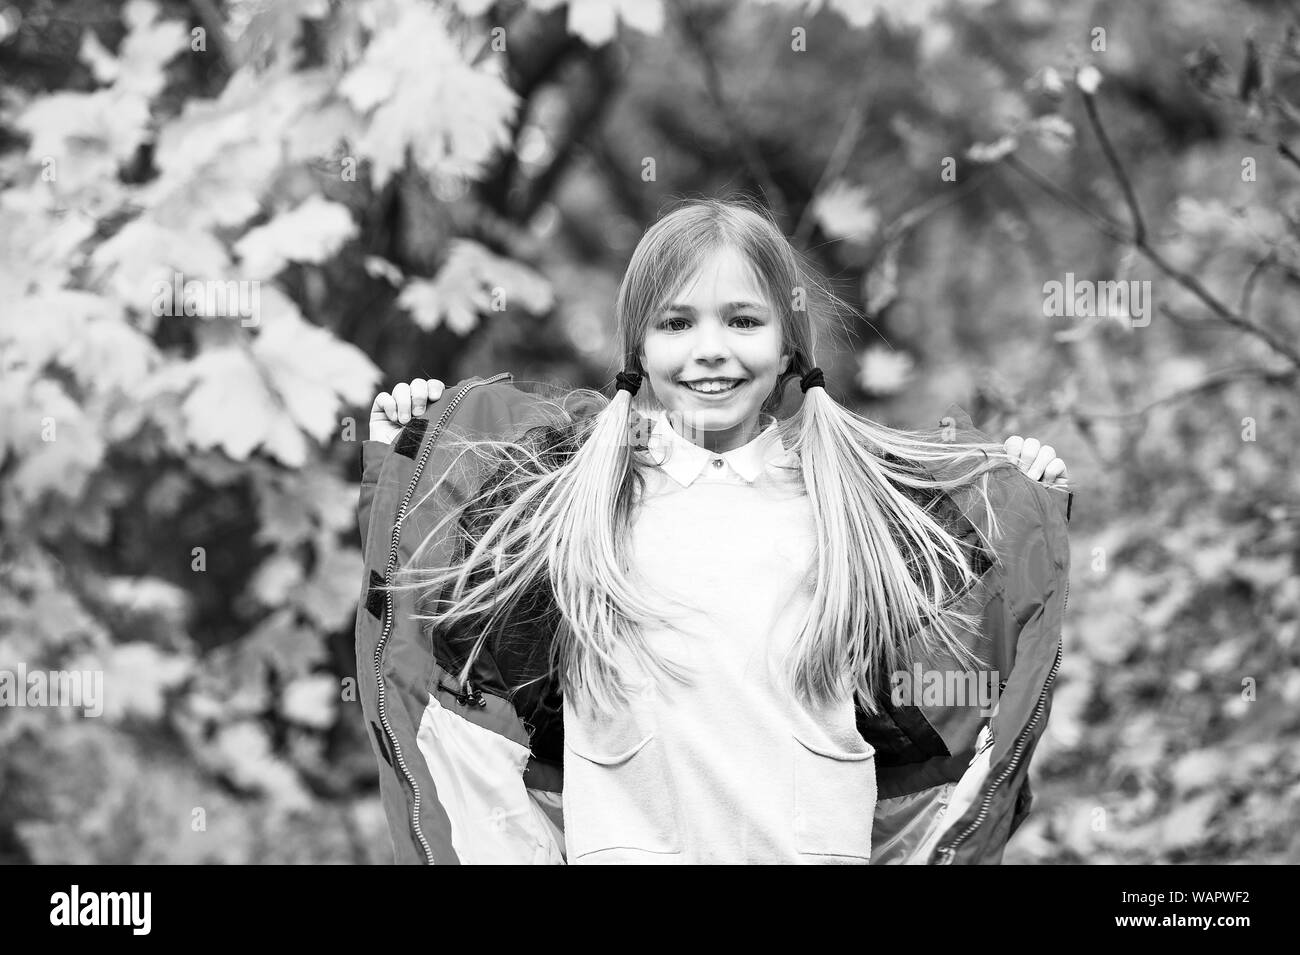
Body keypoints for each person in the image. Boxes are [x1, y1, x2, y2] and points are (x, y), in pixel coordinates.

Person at [361, 197, 1071, 865]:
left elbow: (982, 609)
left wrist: (1033, 505)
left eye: (742, 320)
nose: (709, 349)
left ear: (791, 344)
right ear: (637, 349)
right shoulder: (573, 499)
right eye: (676, 323)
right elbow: (432, 570)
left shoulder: (852, 503)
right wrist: (409, 452)